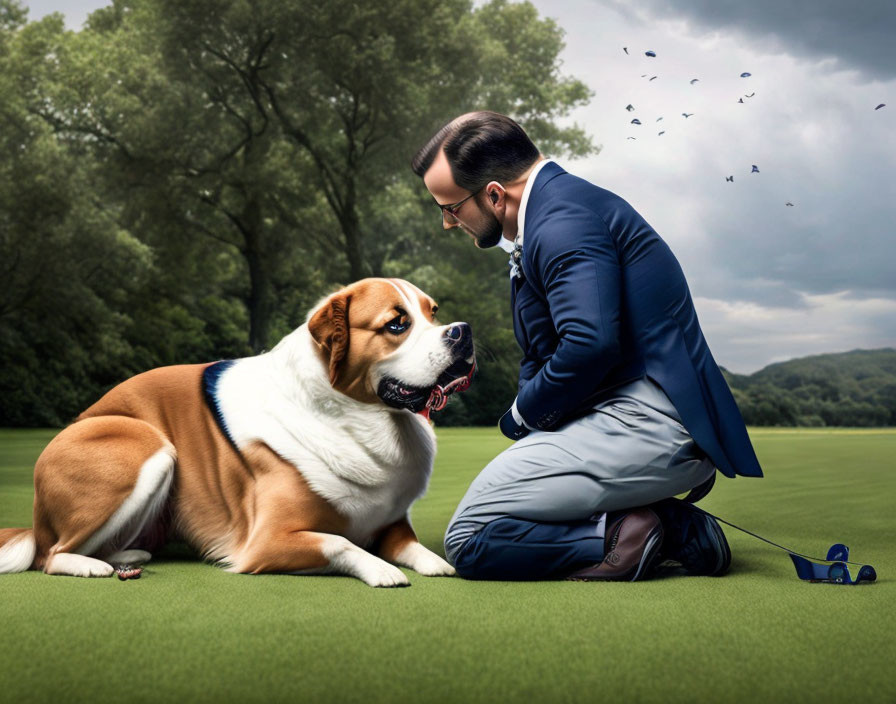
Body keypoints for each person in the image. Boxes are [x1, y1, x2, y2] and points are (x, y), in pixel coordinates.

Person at [411, 111, 763, 581]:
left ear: (494, 194)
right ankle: (676, 526)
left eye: (450, 208)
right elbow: (547, 346)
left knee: (470, 538)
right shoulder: (560, 208)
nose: (447, 224)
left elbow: (589, 344)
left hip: (648, 423)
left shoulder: (561, 221)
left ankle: (634, 531)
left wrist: (521, 415)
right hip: (632, 416)